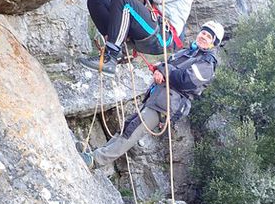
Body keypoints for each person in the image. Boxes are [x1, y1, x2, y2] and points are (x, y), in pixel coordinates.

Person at [79, 21, 224, 168]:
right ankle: (95, 156)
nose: (203, 36)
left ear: (214, 43)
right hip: (157, 98)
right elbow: (169, 65)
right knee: (127, 127)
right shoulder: (188, 52)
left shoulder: (207, 64)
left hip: (165, 104)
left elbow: (185, 80)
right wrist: (159, 67)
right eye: (203, 33)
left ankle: (95, 160)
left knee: (132, 132)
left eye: (209, 36)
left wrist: (163, 70)